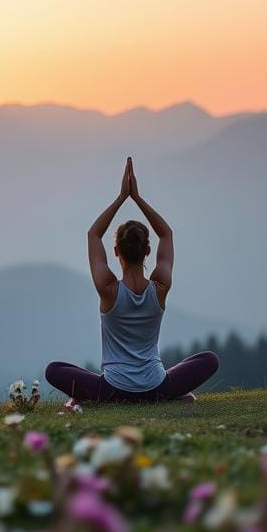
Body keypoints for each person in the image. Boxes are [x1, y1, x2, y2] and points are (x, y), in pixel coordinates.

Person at [45, 157, 218, 403]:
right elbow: (166, 233)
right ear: (148, 251)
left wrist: (121, 197)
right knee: (209, 359)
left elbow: (94, 234)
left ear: (116, 252)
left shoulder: (108, 289)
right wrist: (137, 198)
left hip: (113, 390)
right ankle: (170, 397)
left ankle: (96, 402)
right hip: (156, 386)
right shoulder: (160, 287)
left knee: (54, 369)